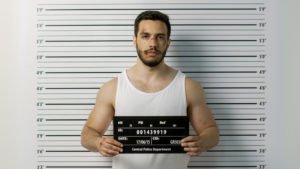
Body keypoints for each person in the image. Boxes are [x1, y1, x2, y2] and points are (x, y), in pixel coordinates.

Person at [81, 10, 219, 169]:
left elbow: (211, 132)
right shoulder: (112, 88)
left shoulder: (188, 87)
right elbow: (88, 134)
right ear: (135, 40)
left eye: (160, 37)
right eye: (145, 36)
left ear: (168, 42)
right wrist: (99, 143)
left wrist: (202, 142)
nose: (153, 44)